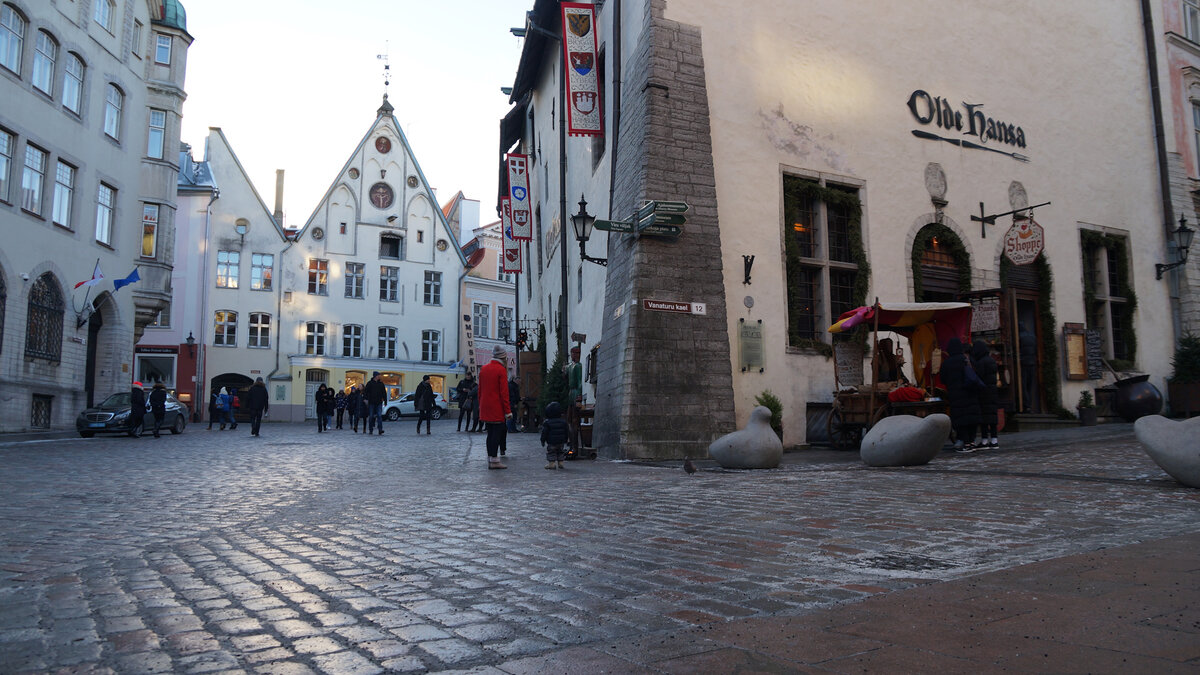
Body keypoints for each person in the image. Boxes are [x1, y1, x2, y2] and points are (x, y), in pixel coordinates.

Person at [941, 338, 980, 453]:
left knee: (960, 419)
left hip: (956, 395)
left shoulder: (947, 363)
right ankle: (972, 442)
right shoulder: (967, 359)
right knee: (971, 418)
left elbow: (943, 379)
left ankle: (966, 443)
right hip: (970, 392)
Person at [479, 344, 512, 469]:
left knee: (490, 433)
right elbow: (504, 393)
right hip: (496, 407)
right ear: (503, 357)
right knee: (497, 434)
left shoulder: (484, 368)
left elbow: (480, 390)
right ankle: (494, 460)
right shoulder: (501, 370)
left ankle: (490, 458)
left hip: (485, 406)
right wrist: (508, 411)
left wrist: (481, 405)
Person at [972, 339, 1000, 449]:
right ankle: (994, 440)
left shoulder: (981, 362)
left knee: (984, 417)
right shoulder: (992, 360)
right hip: (993, 391)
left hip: (983, 392)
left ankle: (984, 440)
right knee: (992, 416)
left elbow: (979, 377)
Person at [540, 401, 570, 470]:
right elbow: (566, 431)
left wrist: (542, 440)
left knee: (551, 452)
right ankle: (561, 463)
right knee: (560, 451)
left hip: (551, 441)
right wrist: (566, 439)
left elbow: (544, 433)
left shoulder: (547, 422)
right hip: (561, 441)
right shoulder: (563, 422)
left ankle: (552, 464)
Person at [1019, 324, 1038, 413]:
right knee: (1029, 385)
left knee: (1023, 385)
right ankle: (1029, 405)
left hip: (1023, 363)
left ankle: (1025, 406)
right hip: (1032, 362)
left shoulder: (1019, 336)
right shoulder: (1032, 336)